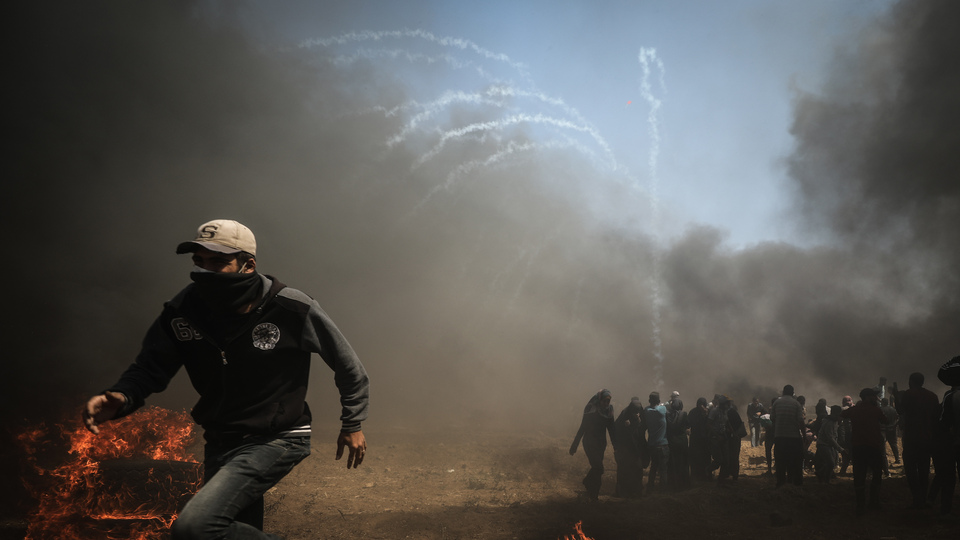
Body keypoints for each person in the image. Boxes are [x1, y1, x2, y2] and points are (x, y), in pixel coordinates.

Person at [82, 219, 370, 540]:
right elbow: (150, 366)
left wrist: (352, 423)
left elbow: (349, 366)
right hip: (220, 439)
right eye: (199, 262)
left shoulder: (291, 308)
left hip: (276, 437)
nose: (205, 271)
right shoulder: (183, 310)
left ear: (248, 265)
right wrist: (121, 396)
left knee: (196, 528)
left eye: (218, 262)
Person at [840, 388, 887, 515]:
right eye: (873, 396)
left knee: (859, 475)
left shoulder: (855, 410)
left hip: (858, 447)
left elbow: (843, 414)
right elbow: (885, 420)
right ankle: (874, 502)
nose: (875, 398)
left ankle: (860, 505)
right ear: (867, 397)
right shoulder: (875, 410)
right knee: (877, 474)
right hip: (873, 446)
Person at [898, 372, 941, 510]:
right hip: (927, 438)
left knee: (911, 470)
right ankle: (923, 497)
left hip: (912, 438)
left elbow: (901, 410)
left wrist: (895, 396)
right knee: (924, 469)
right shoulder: (933, 396)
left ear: (911, 381)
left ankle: (917, 499)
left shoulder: (909, 394)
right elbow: (936, 417)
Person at [570, 389, 615, 501]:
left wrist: (616, 446)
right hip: (589, 442)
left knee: (597, 470)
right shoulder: (591, 409)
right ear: (599, 400)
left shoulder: (609, 411)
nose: (606, 404)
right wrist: (574, 445)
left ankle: (592, 492)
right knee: (599, 468)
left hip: (601, 443)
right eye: (604, 401)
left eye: (608, 402)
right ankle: (591, 490)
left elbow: (612, 430)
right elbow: (582, 428)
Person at [771, 385, 804, 487]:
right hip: (793, 437)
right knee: (793, 461)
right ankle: (792, 482)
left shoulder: (776, 403)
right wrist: (804, 435)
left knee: (780, 461)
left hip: (779, 436)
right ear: (792, 393)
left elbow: (772, 418)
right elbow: (801, 420)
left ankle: (781, 483)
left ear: (783, 392)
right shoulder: (796, 404)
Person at [613, 397, 645, 499]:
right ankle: (622, 492)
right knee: (624, 470)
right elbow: (617, 429)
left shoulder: (640, 413)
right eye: (635, 412)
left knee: (637, 469)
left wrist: (638, 421)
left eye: (638, 411)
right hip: (625, 447)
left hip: (635, 447)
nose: (637, 413)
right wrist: (626, 426)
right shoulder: (625, 415)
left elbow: (641, 431)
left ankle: (636, 491)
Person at [643, 391, 670, 493]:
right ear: (658, 400)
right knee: (663, 469)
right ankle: (663, 491)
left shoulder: (647, 410)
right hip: (662, 444)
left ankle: (650, 488)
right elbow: (665, 406)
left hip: (652, 445)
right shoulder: (662, 410)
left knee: (653, 467)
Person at [665, 396, 690, 491]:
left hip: (671, 441)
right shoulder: (684, 414)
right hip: (682, 441)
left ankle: (672, 484)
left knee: (672, 463)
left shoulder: (667, 415)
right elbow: (688, 426)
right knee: (683, 462)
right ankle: (683, 483)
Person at [814, 405, 843, 484]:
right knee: (831, 463)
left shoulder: (834, 422)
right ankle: (826, 480)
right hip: (824, 444)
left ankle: (821, 474)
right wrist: (840, 449)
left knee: (831, 462)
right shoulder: (829, 422)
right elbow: (830, 438)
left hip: (827, 444)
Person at [687, 397, 712, 481]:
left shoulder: (708, 412)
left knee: (704, 457)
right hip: (697, 438)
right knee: (696, 457)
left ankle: (705, 475)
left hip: (703, 439)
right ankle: (696, 475)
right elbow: (688, 424)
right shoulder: (693, 412)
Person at [879, 398, 900, 476]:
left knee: (882, 445)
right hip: (892, 429)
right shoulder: (893, 409)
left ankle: (884, 459)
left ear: (882, 403)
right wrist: (894, 425)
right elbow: (897, 417)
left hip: (884, 429)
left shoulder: (881, 409)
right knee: (894, 444)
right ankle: (897, 458)